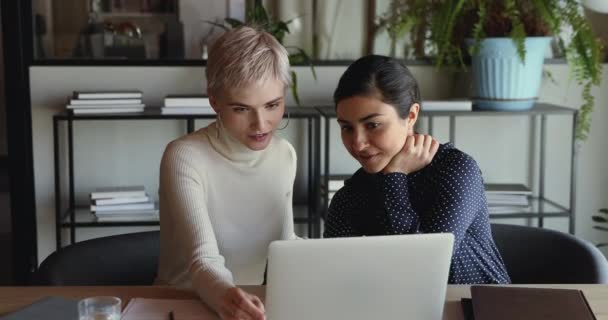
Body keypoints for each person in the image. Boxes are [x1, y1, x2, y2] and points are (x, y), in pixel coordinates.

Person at [324, 54, 511, 284]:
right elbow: (338, 279)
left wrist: (395, 176)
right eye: (347, 128)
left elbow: (425, 265)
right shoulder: (350, 196)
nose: (358, 143)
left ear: (411, 116)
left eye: (373, 125)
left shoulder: (457, 170)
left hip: (483, 311)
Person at [156, 26, 298, 320]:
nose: (261, 124)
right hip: (180, 307)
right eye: (241, 109)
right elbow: (204, 260)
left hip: (250, 308)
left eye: (273, 105)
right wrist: (229, 297)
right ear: (214, 100)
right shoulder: (184, 156)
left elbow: (285, 246)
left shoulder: (285, 155)